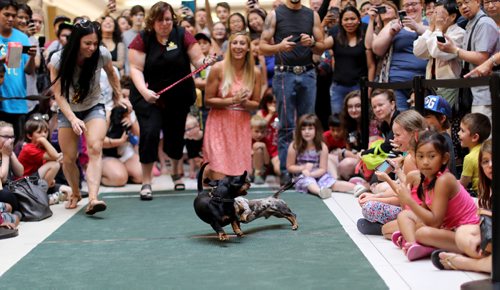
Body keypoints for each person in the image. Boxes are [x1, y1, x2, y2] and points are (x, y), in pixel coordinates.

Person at [128, 1, 214, 199]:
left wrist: (206, 62)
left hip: (178, 96)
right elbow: (136, 69)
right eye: (160, 20)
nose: (165, 23)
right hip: (149, 96)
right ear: (152, 21)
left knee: (175, 135)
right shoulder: (143, 38)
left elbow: (198, 60)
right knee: (149, 133)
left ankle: (177, 174)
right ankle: (146, 182)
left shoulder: (182, 34)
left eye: (168, 19)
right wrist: (144, 91)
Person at [49, 20, 130, 215]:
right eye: (87, 43)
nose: (92, 47)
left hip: (94, 106)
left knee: (95, 147)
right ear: (77, 42)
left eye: (95, 43)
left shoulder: (101, 54)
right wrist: (72, 118)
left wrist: (118, 96)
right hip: (68, 109)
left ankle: (93, 198)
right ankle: (76, 193)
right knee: (69, 158)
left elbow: (112, 72)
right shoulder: (58, 60)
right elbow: (58, 94)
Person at [260, 0, 326, 185]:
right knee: (287, 125)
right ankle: (286, 172)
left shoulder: (312, 14)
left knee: (309, 124)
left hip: (308, 72)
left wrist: (312, 43)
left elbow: (322, 46)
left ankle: (310, 170)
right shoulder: (274, 14)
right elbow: (261, 47)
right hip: (284, 74)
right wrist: (278, 47)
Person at [394, 130, 479, 261]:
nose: (425, 162)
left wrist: (409, 201)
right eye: (420, 156)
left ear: (444, 158)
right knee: (404, 216)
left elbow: (434, 223)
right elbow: (424, 215)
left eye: (432, 156)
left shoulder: (444, 180)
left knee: (422, 232)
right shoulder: (426, 179)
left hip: (467, 234)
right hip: (448, 229)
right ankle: (414, 245)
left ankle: (422, 244)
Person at [357, 110, 426, 236]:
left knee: (370, 207)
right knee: (377, 187)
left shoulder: (410, 157)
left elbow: (405, 197)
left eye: (397, 135)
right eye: (393, 135)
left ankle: (390, 228)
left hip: (414, 210)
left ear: (413, 134)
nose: (394, 139)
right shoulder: (407, 152)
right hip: (412, 203)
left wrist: (376, 196)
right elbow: (383, 170)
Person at [203, 32, 261, 180]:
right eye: (234, 43)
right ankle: (206, 182)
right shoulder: (218, 68)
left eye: (242, 43)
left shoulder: (255, 72)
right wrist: (232, 100)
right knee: (219, 176)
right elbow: (208, 100)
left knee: (238, 180)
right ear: (229, 46)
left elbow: (256, 103)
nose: (238, 46)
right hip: (219, 122)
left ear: (248, 48)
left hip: (241, 124)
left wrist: (244, 103)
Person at [431, 139, 492, 273]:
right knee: (462, 232)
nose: (490, 165)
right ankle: (482, 257)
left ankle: (465, 263)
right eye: (485, 161)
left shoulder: (445, 180)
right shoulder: (487, 190)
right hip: (490, 240)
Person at [436, 0, 499, 120]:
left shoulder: (484, 23)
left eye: (466, 2)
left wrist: (454, 49)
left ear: (477, 2)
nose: (463, 7)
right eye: (459, 4)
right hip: (474, 91)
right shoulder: (471, 23)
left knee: (483, 136)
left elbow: (482, 58)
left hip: (485, 92)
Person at [371, 0, 428, 111]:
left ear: (422, 5)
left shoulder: (429, 23)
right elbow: (377, 49)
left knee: (420, 118)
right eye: (406, 5)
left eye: (414, 4)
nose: (410, 8)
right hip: (397, 81)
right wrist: (391, 33)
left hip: (424, 83)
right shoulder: (394, 23)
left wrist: (416, 27)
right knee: (399, 118)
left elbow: (437, 37)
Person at [287, 114, 356, 199]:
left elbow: (323, 168)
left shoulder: (322, 147)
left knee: (332, 182)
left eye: (310, 128)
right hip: (302, 175)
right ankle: (320, 191)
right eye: (303, 129)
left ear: (316, 130)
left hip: (318, 173)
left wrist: (312, 174)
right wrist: (303, 168)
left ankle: (356, 187)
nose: (307, 131)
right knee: (309, 182)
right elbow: (290, 166)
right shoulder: (294, 146)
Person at [413, 0, 464, 108]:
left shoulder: (459, 33)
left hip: (448, 85)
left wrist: (438, 29)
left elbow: (438, 51)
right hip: (430, 84)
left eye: (439, 13)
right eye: (434, 13)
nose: (435, 17)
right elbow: (418, 51)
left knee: (445, 118)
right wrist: (430, 29)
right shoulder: (435, 32)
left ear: (452, 16)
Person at [324, 5, 375, 114]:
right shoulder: (335, 38)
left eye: (353, 19)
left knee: (361, 120)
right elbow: (319, 47)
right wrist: (323, 24)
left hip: (359, 86)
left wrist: (369, 87)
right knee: (338, 120)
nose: (349, 22)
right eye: (346, 19)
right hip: (338, 87)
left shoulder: (366, 37)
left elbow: (371, 66)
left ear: (358, 20)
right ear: (341, 22)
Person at [0, 0, 37, 143]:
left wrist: (32, 58)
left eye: (13, 15)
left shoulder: (22, 38)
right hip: (1, 101)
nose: (10, 19)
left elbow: (27, 70)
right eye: (6, 14)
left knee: (13, 146)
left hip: (17, 101)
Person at [17, 114, 62, 188]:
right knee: (55, 164)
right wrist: (43, 140)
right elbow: (56, 157)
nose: (44, 135)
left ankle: (44, 192)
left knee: (68, 191)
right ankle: (41, 194)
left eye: (45, 131)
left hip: (35, 180)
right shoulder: (28, 148)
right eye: (39, 132)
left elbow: (56, 157)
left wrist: (50, 179)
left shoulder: (42, 147)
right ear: (29, 136)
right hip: (23, 183)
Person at [422, 95, 456, 176]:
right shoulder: (439, 137)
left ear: (442, 118)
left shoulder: (441, 140)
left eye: (428, 117)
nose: (424, 120)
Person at [458, 112, 491, 196]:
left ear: (475, 137)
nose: (458, 133)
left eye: (462, 131)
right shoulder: (487, 150)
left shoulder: (469, 158)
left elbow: (462, 184)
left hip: (479, 194)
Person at [122, 5, 145, 76]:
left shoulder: (148, 34)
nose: (138, 17)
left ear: (144, 17)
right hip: (129, 73)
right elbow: (124, 56)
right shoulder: (124, 35)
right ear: (131, 17)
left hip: (146, 73)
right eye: (135, 15)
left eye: (141, 15)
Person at [250, 114, 271, 184]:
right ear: (250, 130)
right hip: (248, 167)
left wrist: (264, 147)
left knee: (259, 150)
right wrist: (253, 151)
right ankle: (247, 175)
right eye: (256, 131)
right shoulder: (246, 140)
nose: (259, 134)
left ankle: (258, 175)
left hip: (261, 169)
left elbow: (267, 162)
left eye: (262, 132)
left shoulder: (266, 141)